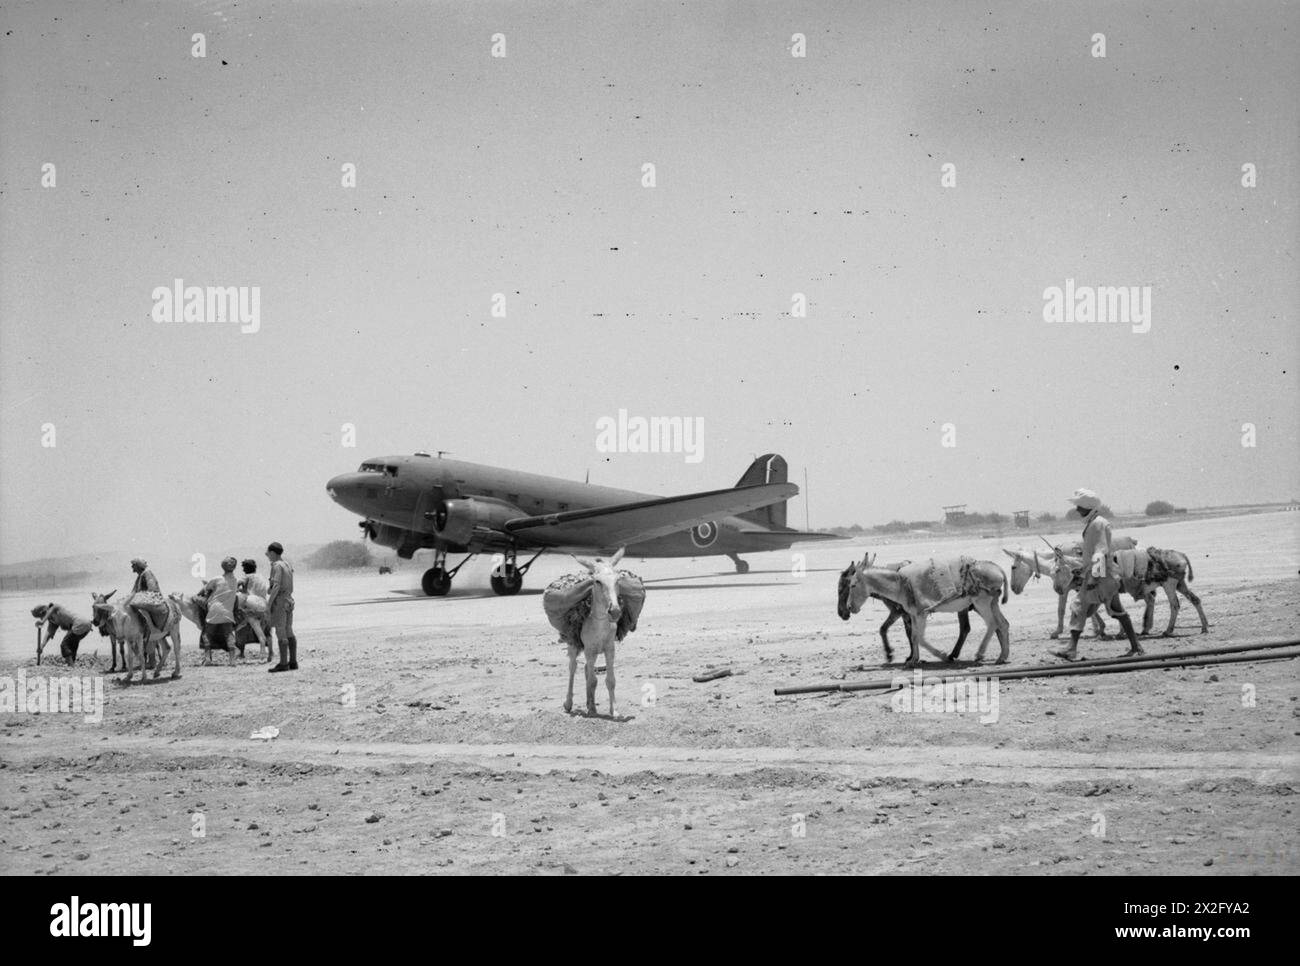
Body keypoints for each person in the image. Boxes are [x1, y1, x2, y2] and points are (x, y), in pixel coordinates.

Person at [1051, 488, 1143, 661]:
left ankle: (1072, 648)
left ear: (1087, 506)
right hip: (1101, 574)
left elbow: (1101, 551)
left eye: (1079, 506)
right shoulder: (1094, 522)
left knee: (1083, 607)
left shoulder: (1098, 524)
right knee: (1110, 609)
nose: (1077, 510)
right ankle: (1136, 646)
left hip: (1102, 576)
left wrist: (1094, 577)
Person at [197, 557, 240, 666]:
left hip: (214, 610)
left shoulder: (216, 579)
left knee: (207, 633)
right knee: (229, 635)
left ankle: (207, 659)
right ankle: (232, 660)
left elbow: (206, 589)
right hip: (227, 613)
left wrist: (200, 593)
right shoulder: (235, 581)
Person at [266, 542, 298, 672]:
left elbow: (277, 585)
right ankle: (293, 662)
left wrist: (269, 604)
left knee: (280, 630)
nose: (267, 555)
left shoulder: (277, 566)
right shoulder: (287, 564)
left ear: (273, 553)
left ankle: (284, 663)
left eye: (268, 553)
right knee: (288, 629)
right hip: (289, 599)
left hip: (280, 600)